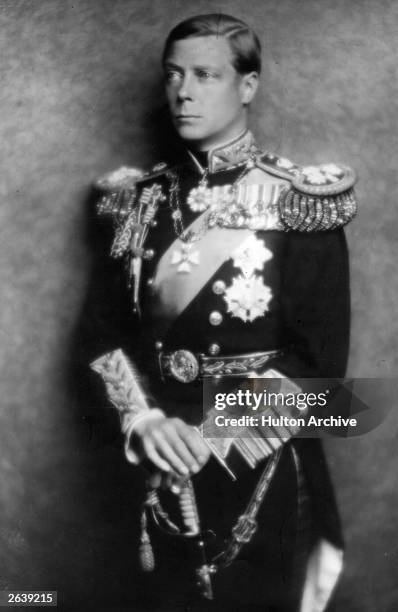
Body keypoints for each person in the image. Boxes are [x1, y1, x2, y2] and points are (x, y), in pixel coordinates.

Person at [85, 13, 357, 612]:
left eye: (206, 74)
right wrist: (144, 423)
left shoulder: (297, 199)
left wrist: (206, 440)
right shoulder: (138, 201)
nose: (184, 91)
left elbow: (321, 365)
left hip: (259, 463)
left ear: (248, 85)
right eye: (174, 75)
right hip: (159, 453)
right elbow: (102, 336)